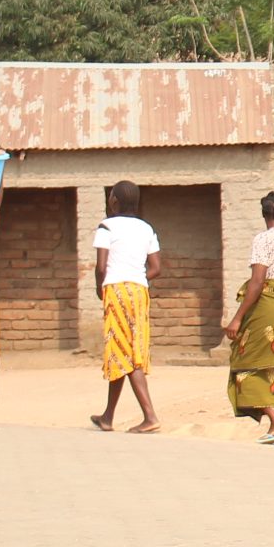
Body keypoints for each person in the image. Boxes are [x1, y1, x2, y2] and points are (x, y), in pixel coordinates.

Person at [223, 191, 274, 444]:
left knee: (245, 362)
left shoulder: (262, 240)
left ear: (264, 215)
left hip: (268, 307)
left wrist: (238, 318)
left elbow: (258, 282)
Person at [91, 181, 163, 434]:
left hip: (116, 291)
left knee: (123, 353)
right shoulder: (147, 228)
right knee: (127, 351)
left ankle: (150, 416)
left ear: (114, 202)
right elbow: (156, 267)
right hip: (139, 292)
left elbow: (101, 266)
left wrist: (101, 288)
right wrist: (137, 277)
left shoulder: (106, 226)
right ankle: (108, 416)